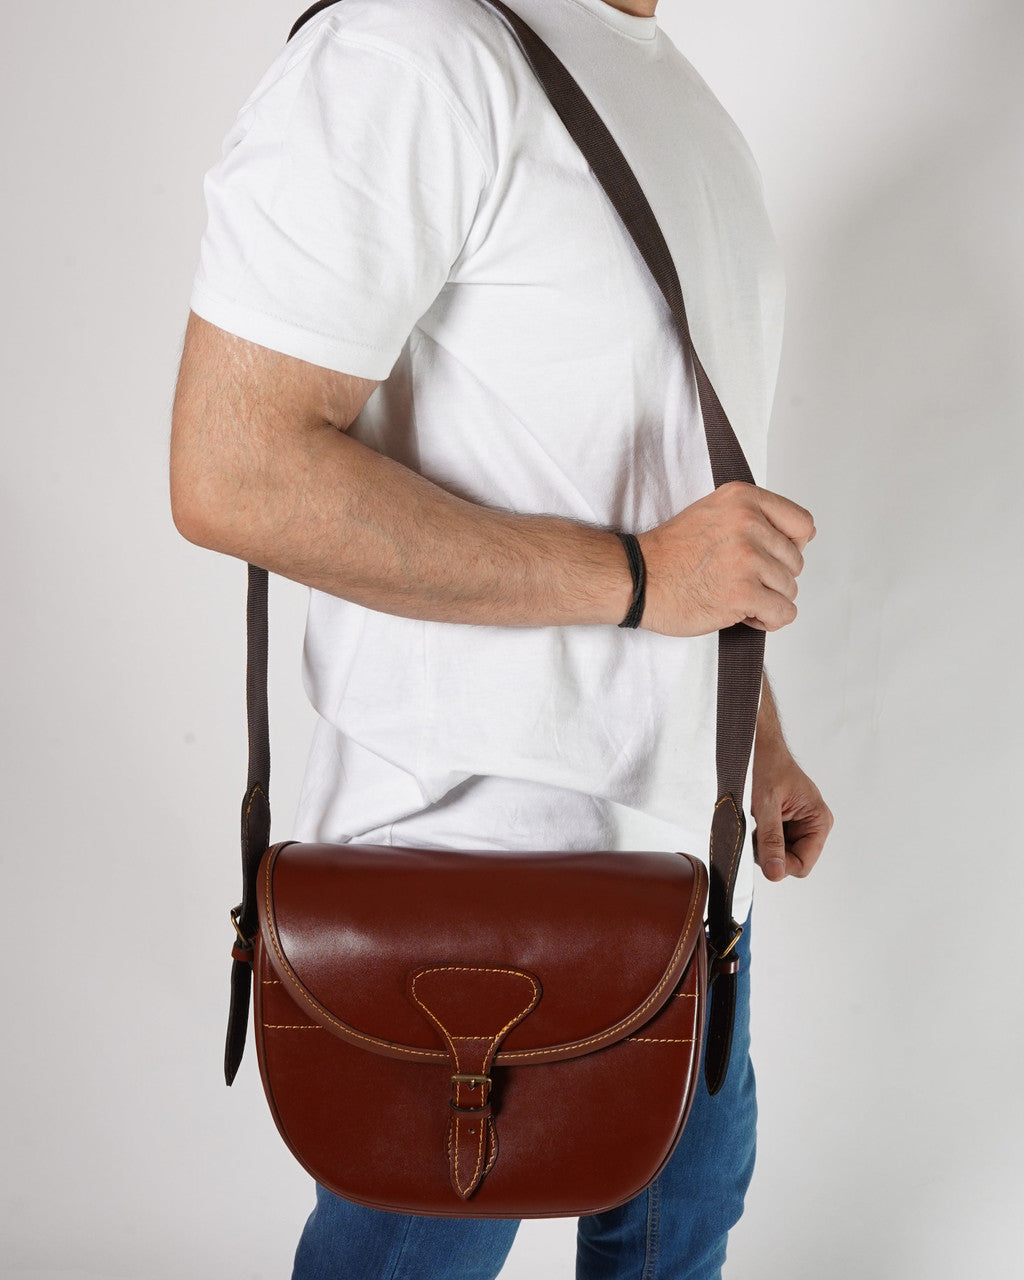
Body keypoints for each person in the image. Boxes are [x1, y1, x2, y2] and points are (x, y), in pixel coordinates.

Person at [170, 0, 834, 1275]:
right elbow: (232, 469)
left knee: (679, 1242)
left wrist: (755, 738)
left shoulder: (679, 98)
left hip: (687, 875)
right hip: (467, 886)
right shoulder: (409, 49)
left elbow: (662, 486)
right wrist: (642, 576)